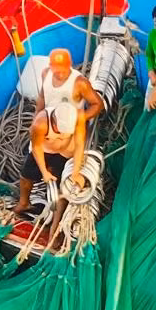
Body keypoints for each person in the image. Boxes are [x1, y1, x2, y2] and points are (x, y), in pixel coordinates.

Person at [15, 78, 104, 217]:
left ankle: (55, 224)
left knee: (62, 185)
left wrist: (75, 172)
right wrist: (44, 172)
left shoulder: (78, 119)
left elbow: (80, 145)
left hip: (66, 152)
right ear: (54, 121)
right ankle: (23, 203)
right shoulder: (40, 124)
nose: (62, 134)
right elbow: (37, 148)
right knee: (27, 176)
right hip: (44, 148)